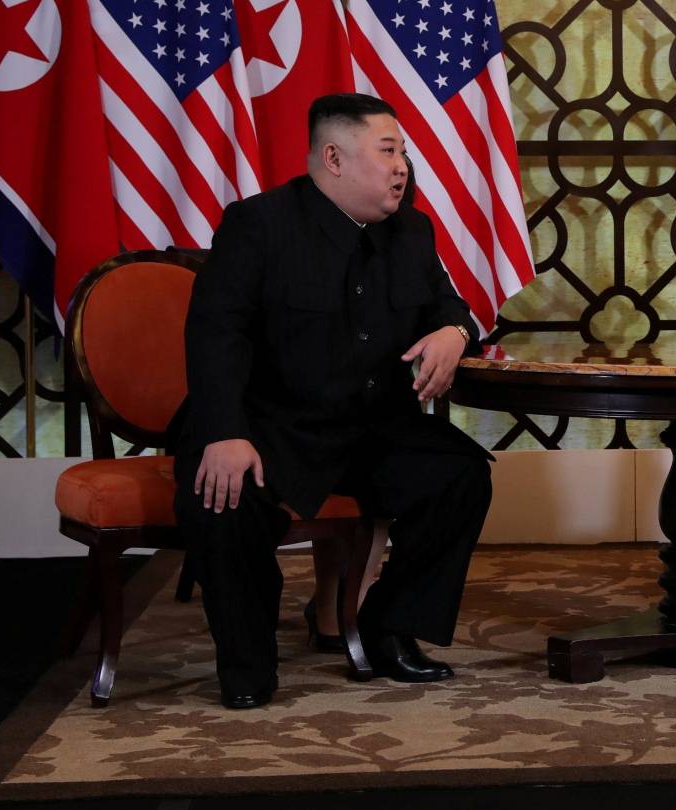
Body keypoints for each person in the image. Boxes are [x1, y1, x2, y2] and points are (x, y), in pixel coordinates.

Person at [170, 93, 493, 709]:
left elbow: (449, 306)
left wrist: (455, 333)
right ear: (334, 159)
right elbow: (216, 335)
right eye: (388, 151)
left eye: (404, 153)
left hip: (369, 430)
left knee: (460, 477)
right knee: (223, 501)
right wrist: (223, 432)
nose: (402, 166)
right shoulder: (257, 224)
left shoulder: (412, 231)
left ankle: (389, 626)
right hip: (267, 426)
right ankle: (248, 662)